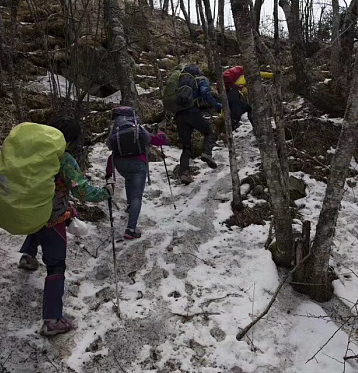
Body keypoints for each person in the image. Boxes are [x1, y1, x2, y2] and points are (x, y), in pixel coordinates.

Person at [17, 117, 114, 336]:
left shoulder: (35, 151)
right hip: (52, 216)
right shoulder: (64, 159)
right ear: (70, 140)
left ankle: (27, 255)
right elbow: (82, 191)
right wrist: (105, 192)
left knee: (38, 224)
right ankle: (52, 320)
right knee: (56, 265)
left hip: (31, 208)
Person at [105, 106, 170, 240]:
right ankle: (131, 228)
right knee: (137, 196)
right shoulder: (137, 129)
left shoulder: (115, 132)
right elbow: (155, 140)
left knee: (129, 179)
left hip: (120, 165)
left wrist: (108, 173)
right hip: (138, 164)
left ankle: (130, 207)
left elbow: (110, 149)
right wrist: (162, 136)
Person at [174, 64, 222, 185]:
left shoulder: (179, 81)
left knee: (186, 147)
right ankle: (207, 153)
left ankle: (184, 173)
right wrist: (216, 105)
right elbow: (205, 92)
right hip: (192, 112)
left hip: (179, 115)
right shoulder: (199, 79)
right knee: (208, 132)